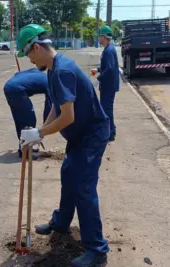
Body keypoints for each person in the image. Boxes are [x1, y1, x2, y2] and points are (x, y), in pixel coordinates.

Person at [17, 24, 110, 267]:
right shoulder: (51, 69)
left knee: (83, 188)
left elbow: (68, 118)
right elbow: (56, 107)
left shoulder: (62, 72)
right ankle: (61, 222)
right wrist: (40, 133)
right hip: (80, 136)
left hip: (91, 135)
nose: (28, 59)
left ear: (36, 47)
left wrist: (40, 132)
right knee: (69, 174)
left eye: (28, 54)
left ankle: (97, 250)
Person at [4, 67, 52, 158]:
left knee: (20, 119)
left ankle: (24, 147)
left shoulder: (38, 73)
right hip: (17, 90)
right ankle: (25, 151)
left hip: (9, 87)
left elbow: (18, 74)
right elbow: (49, 106)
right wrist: (46, 127)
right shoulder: (50, 83)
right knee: (29, 120)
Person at [91, 25, 120, 142]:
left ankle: (109, 134)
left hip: (108, 86)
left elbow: (109, 69)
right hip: (109, 85)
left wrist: (98, 79)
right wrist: (98, 69)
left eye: (99, 36)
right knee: (107, 109)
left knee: (106, 110)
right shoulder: (108, 49)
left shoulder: (109, 50)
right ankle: (111, 132)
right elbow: (106, 67)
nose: (98, 38)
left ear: (103, 36)